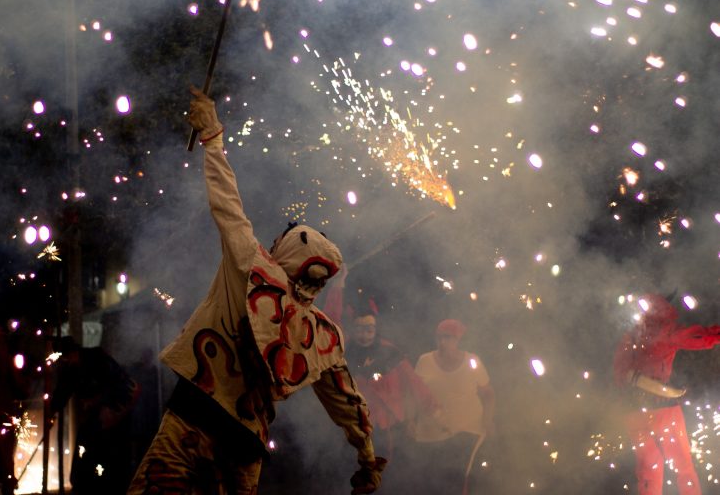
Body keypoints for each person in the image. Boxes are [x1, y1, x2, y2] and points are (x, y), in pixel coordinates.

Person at [127, 87, 386, 494]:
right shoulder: (325, 335)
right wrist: (367, 457)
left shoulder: (251, 265)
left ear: (284, 249)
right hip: (245, 447)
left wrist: (212, 136)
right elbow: (349, 404)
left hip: (190, 422)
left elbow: (226, 203)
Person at [323, 265, 434, 464]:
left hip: (394, 430)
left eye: (369, 330)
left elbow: (413, 382)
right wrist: (338, 285)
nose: (364, 335)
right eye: (359, 329)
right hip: (358, 430)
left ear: (375, 330)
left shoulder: (389, 351)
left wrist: (431, 407)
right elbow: (330, 322)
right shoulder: (344, 351)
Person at [612, 294, 720, 495]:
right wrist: (716, 334)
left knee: (648, 469)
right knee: (683, 466)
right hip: (663, 409)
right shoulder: (663, 330)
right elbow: (695, 337)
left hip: (634, 412)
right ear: (664, 308)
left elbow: (618, 372)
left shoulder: (631, 334)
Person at [410, 319, 495, 495]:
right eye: (439, 337)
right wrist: (410, 420)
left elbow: (488, 393)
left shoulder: (472, 361)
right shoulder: (425, 361)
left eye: (448, 338)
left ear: (457, 340)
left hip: (467, 427)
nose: (442, 342)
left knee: (456, 479)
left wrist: (488, 419)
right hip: (432, 430)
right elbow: (414, 394)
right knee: (433, 480)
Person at [49, 337, 140, 495]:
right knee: (85, 453)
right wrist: (52, 410)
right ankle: (84, 487)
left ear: (74, 352)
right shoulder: (70, 368)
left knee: (113, 459)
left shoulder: (98, 358)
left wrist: (98, 400)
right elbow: (63, 391)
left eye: (66, 357)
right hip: (96, 418)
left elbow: (118, 383)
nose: (66, 361)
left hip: (116, 413)